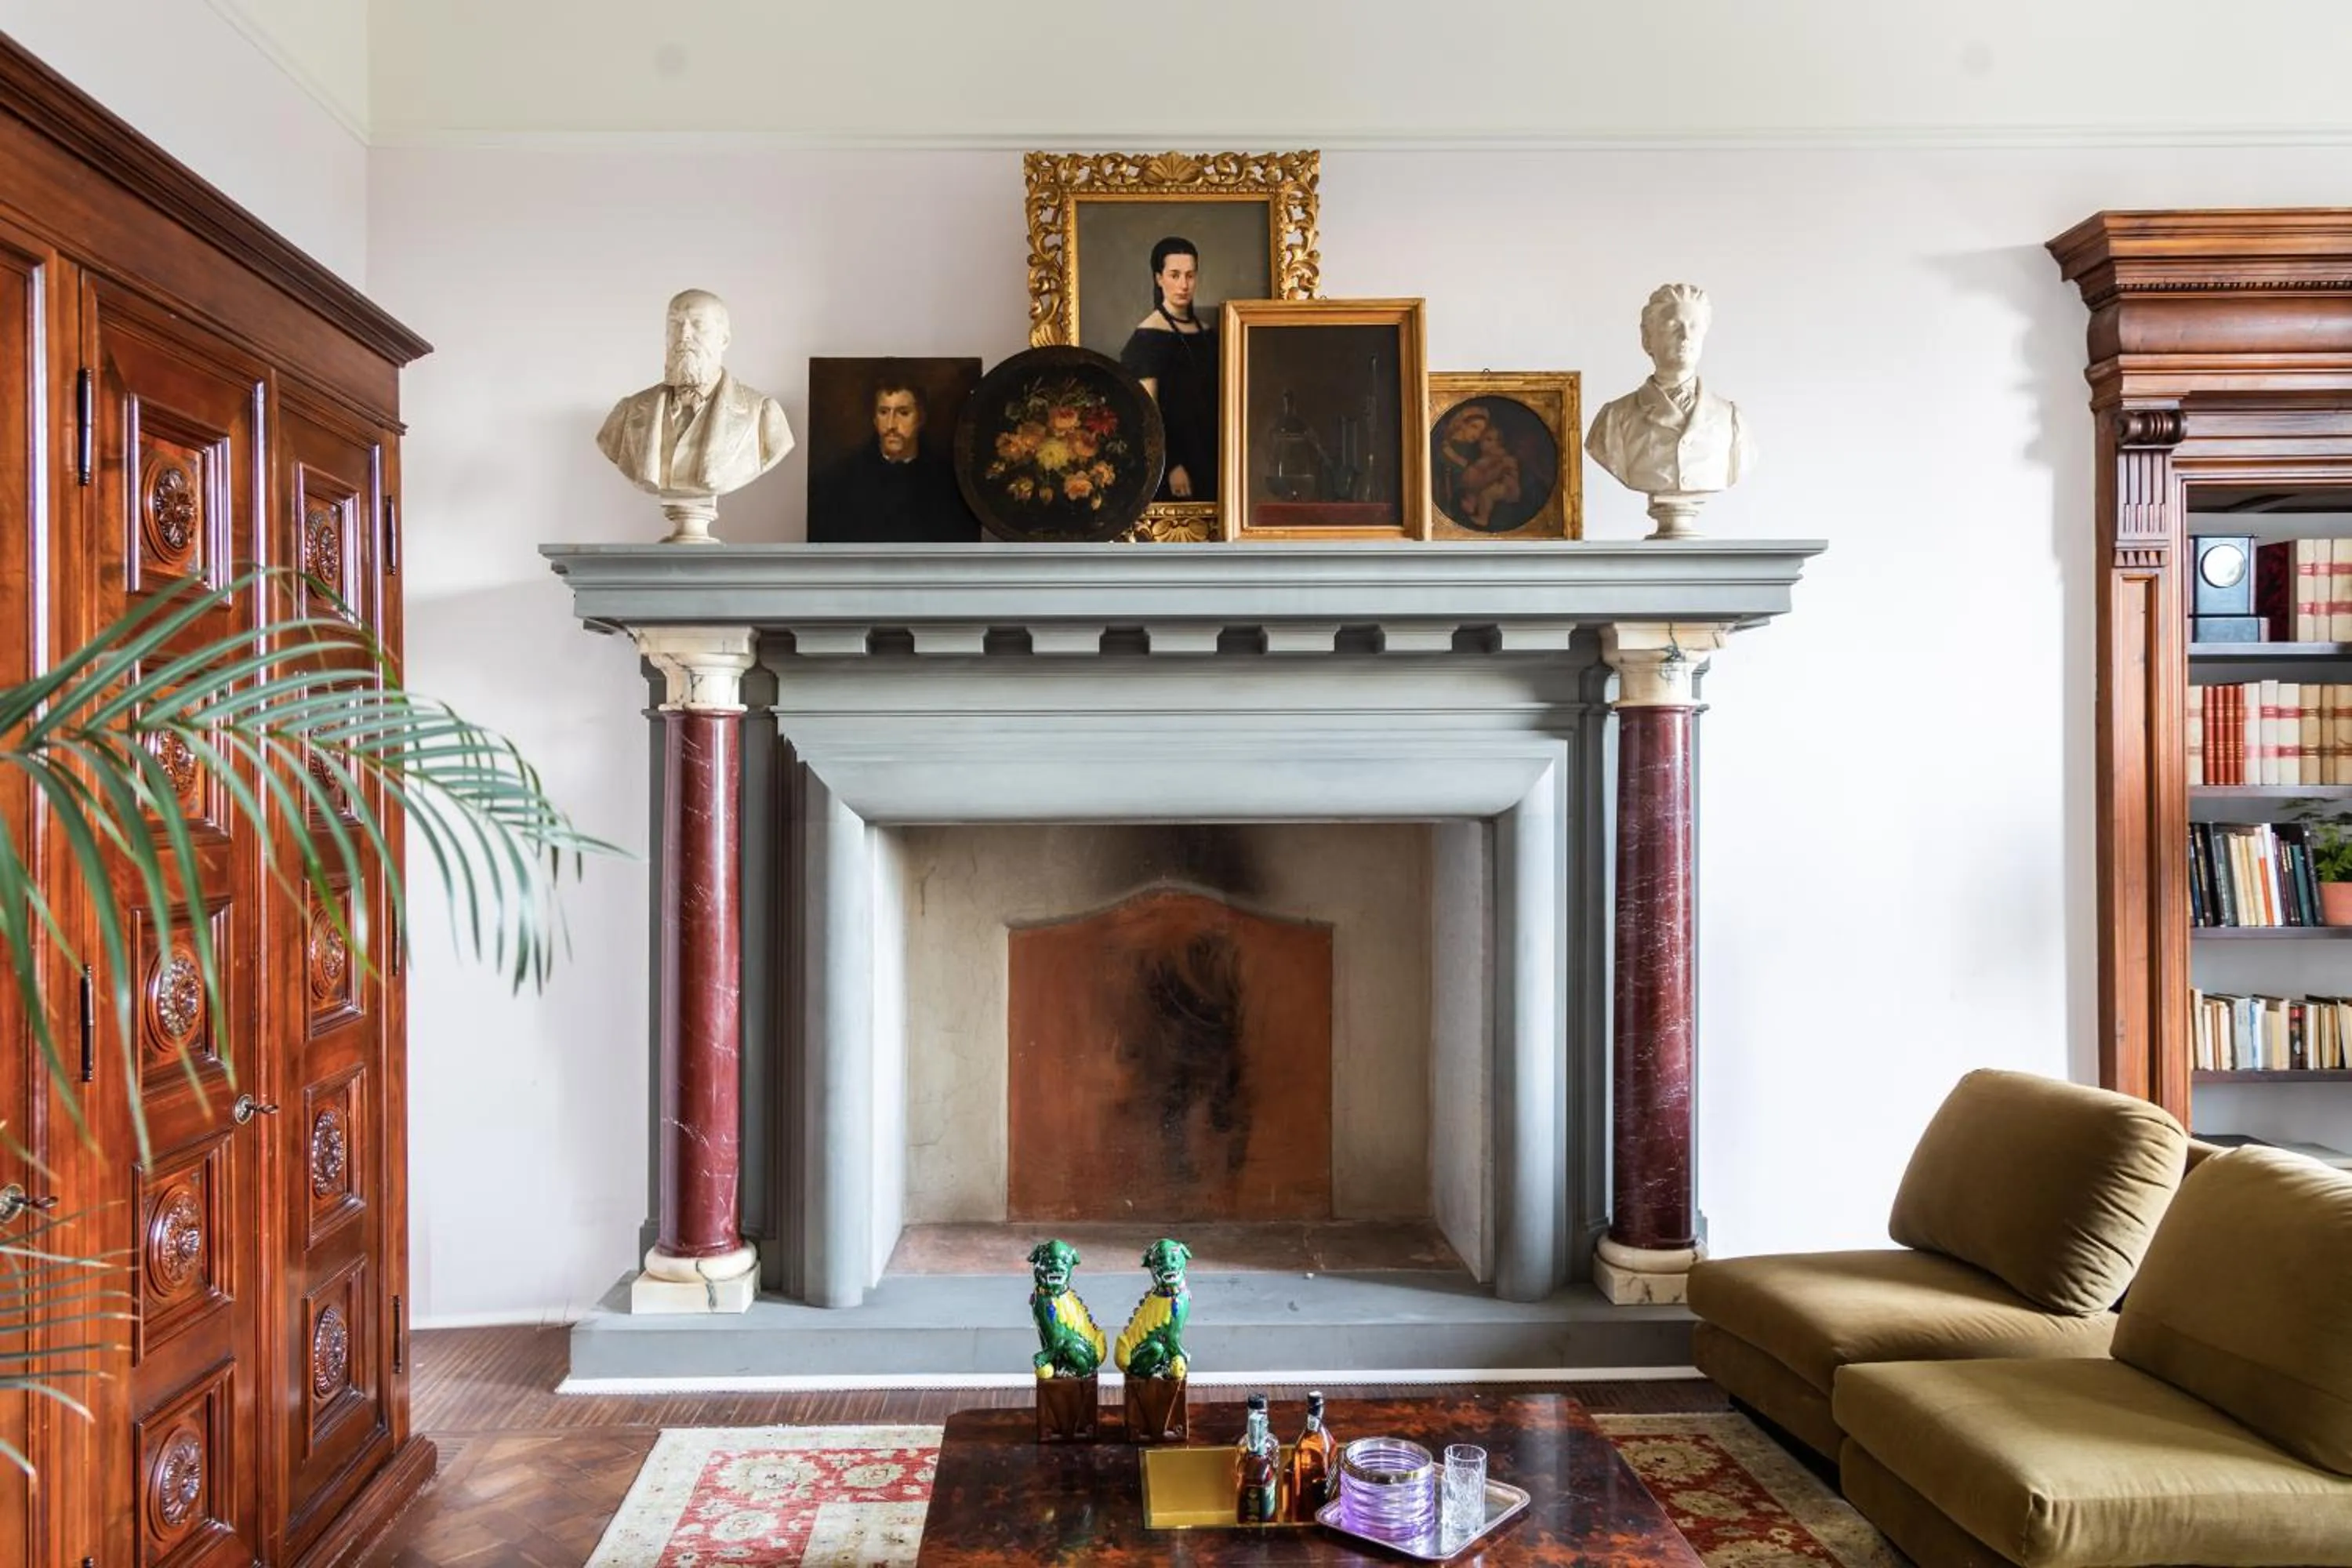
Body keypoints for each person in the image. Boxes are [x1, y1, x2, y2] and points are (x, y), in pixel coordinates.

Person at [596, 289, 793, 542]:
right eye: (675, 325)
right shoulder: (627, 414)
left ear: (724, 339)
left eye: (698, 325)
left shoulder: (763, 416)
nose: (684, 336)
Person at [1584, 282, 1755, 499]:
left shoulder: (1730, 418)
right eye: (1673, 325)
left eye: (1694, 327)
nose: (1685, 337)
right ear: (1647, 339)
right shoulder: (1614, 418)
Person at [808, 376, 979, 543]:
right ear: (875, 420)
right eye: (883, 412)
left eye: (903, 413)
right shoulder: (841, 480)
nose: (891, 425)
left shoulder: (948, 480)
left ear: (920, 418)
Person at [1119, 237, 1218, 501]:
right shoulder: (1147, 338)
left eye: (1190, 275)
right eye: (1174, 275)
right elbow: (1147, 413)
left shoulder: (1209, 334)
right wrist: (1172, 466)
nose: (1183, 285)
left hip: (1212, 459)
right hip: (1174, 469)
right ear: (1159, 278)